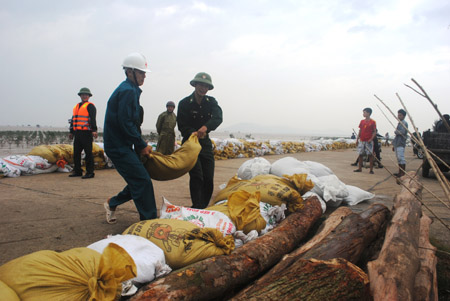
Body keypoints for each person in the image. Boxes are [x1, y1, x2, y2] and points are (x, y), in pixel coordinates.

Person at [102, 52, 156, 224]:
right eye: (141, 73)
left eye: (144, 73)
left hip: (123, 144)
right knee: (142, 181)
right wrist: (140, 144)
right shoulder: (127, 91)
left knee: (138, 179)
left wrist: (140, 143)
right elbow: (125, 122)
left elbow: (131, 122)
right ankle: (149, 222)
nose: (144, 76)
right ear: (129, 72)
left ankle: (113, 202)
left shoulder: (130, 90)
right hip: (118, 146)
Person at [177, 72, 223, 209]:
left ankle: (203, 206)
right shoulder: (184, 103)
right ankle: (197, 205)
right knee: (197, 176)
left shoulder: (211, 102)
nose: (203, 88)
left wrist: (206, 127)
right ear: (195, 85)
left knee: (208, 177)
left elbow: (218, 117)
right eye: (201, 85)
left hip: (205, 143)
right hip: (190, 143)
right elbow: (181, 124)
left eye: (206, 86)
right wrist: (192, 132)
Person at [68, 87, 98, 179]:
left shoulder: (90, 106)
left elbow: (92, 119)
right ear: (80, 96)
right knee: (76, 152)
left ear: (89, 96)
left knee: (88, 153)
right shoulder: (76, 107)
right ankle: (78, 171)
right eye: (83, 94)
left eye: (86, 95)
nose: (84, 96)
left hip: (86, 133)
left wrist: (94, 130)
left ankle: (90, 172)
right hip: (78, 133)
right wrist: (71, 132)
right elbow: (73, 120)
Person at [354, 107, 377, 174]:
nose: (363, 114)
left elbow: (374, 132)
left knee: (370, 155)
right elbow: (360, 130)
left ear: (368, 113)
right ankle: (360, 168)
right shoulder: (362, 121)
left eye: (364, 112)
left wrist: (371, 139)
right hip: (362, 140)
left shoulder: (373, 122)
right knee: (360, 154)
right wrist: (357, 139)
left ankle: (371, 170)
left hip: (368, 141)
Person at [392, 109, 408, 177]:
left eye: (400, 115)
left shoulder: (404, 123)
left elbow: (402, 132)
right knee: (398, 158)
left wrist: (396, 132)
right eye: (398, 115)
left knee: (401, 158)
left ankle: (403, 173)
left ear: (403, 116)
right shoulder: (400, 123)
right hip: (397, 143)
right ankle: (400, 172)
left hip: (401, 143)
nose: (398, 116)